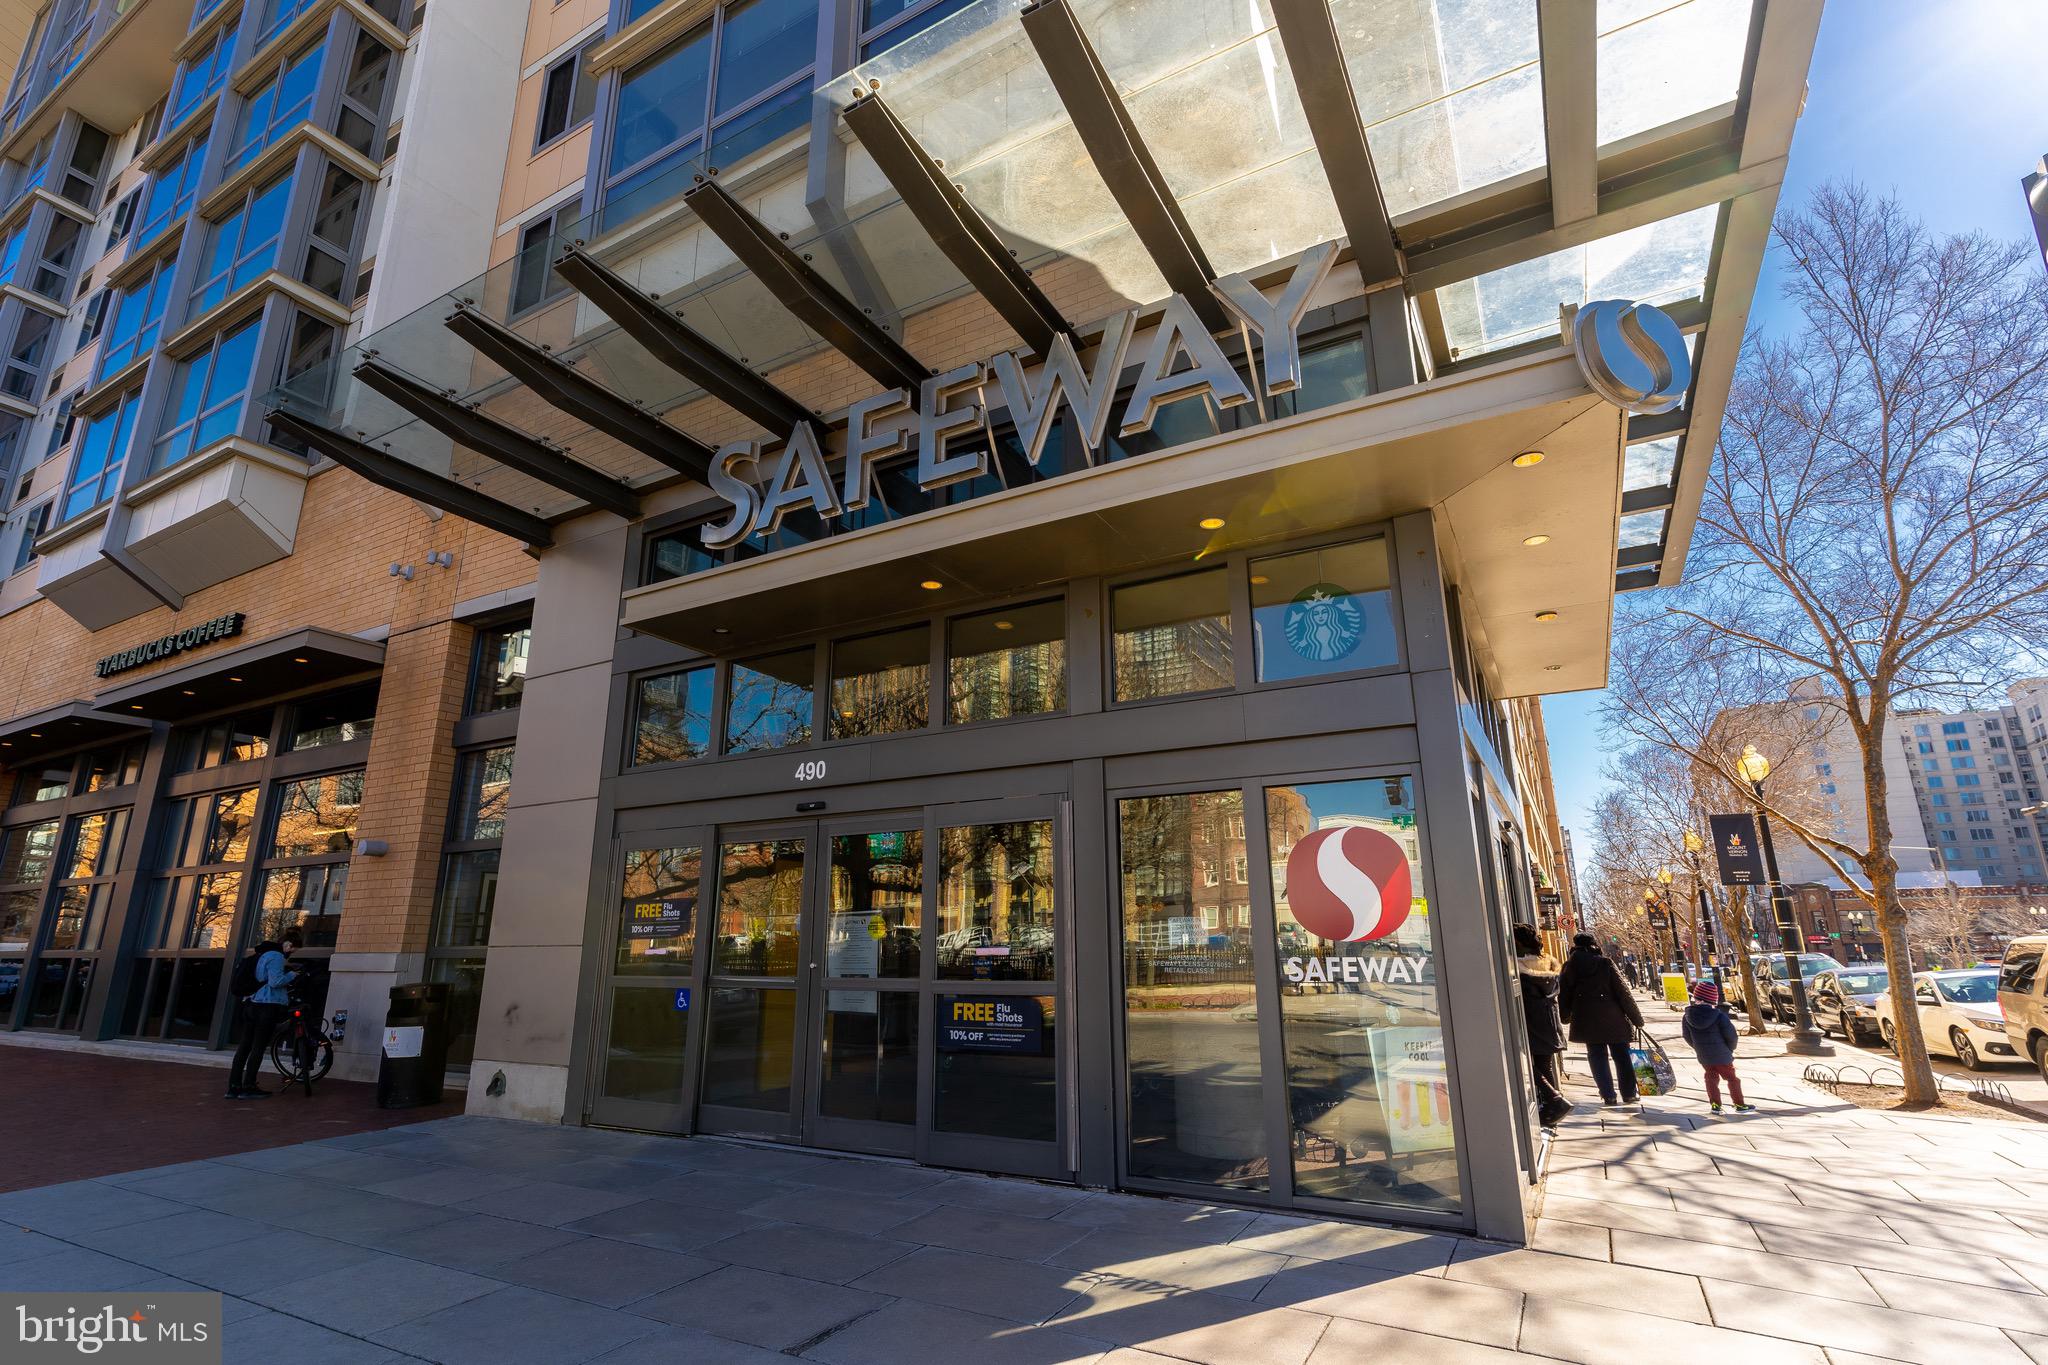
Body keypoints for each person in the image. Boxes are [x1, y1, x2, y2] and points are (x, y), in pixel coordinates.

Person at [1559, 932, 1644, 1106]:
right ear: (1594, 945)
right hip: (1613, 1017)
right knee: (1622, 1055)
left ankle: (1608, 1095)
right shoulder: (1605, 963)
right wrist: (1637, 1019)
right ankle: (1629, 1093)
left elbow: (1564, 994)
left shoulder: (1569, 966)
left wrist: (1565, 1016)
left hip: (1586, 1019)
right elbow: (1623, 993)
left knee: (1596, 1056)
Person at [227, 932, 299, 1100]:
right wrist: (292, 975)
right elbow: (275, 982)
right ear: (288, 944)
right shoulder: (276, 956)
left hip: (251, 1003)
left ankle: (234, 1086)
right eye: (293, 949)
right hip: (266, 1006)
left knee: (245, 1046)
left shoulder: (260, 954)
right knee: (258, 1046)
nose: (292, 952)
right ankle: (249, 1086)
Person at [1513, 923, 1572, 1127]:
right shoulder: (1548, 964)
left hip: (1531, 1021)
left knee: (1523, 1061)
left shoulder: (1518, 968)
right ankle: (1552, 1109)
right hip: (1549, 1021)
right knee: (1544, 1065)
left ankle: (1554, 1099)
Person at [1681, 980, 1755, 1115]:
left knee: (1710, 1078)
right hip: (1722, 1054)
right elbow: (1731, 1036)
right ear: (1713, 999)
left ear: (1696, 997)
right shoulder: (1719, 1016)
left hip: (1704, 1055)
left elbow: (1686, 1036)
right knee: (1732, 1079)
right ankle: (1739, 1104)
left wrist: (1697, 1047)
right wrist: (1730, 1049)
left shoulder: (1687, 1016)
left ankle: (1715, 1105)